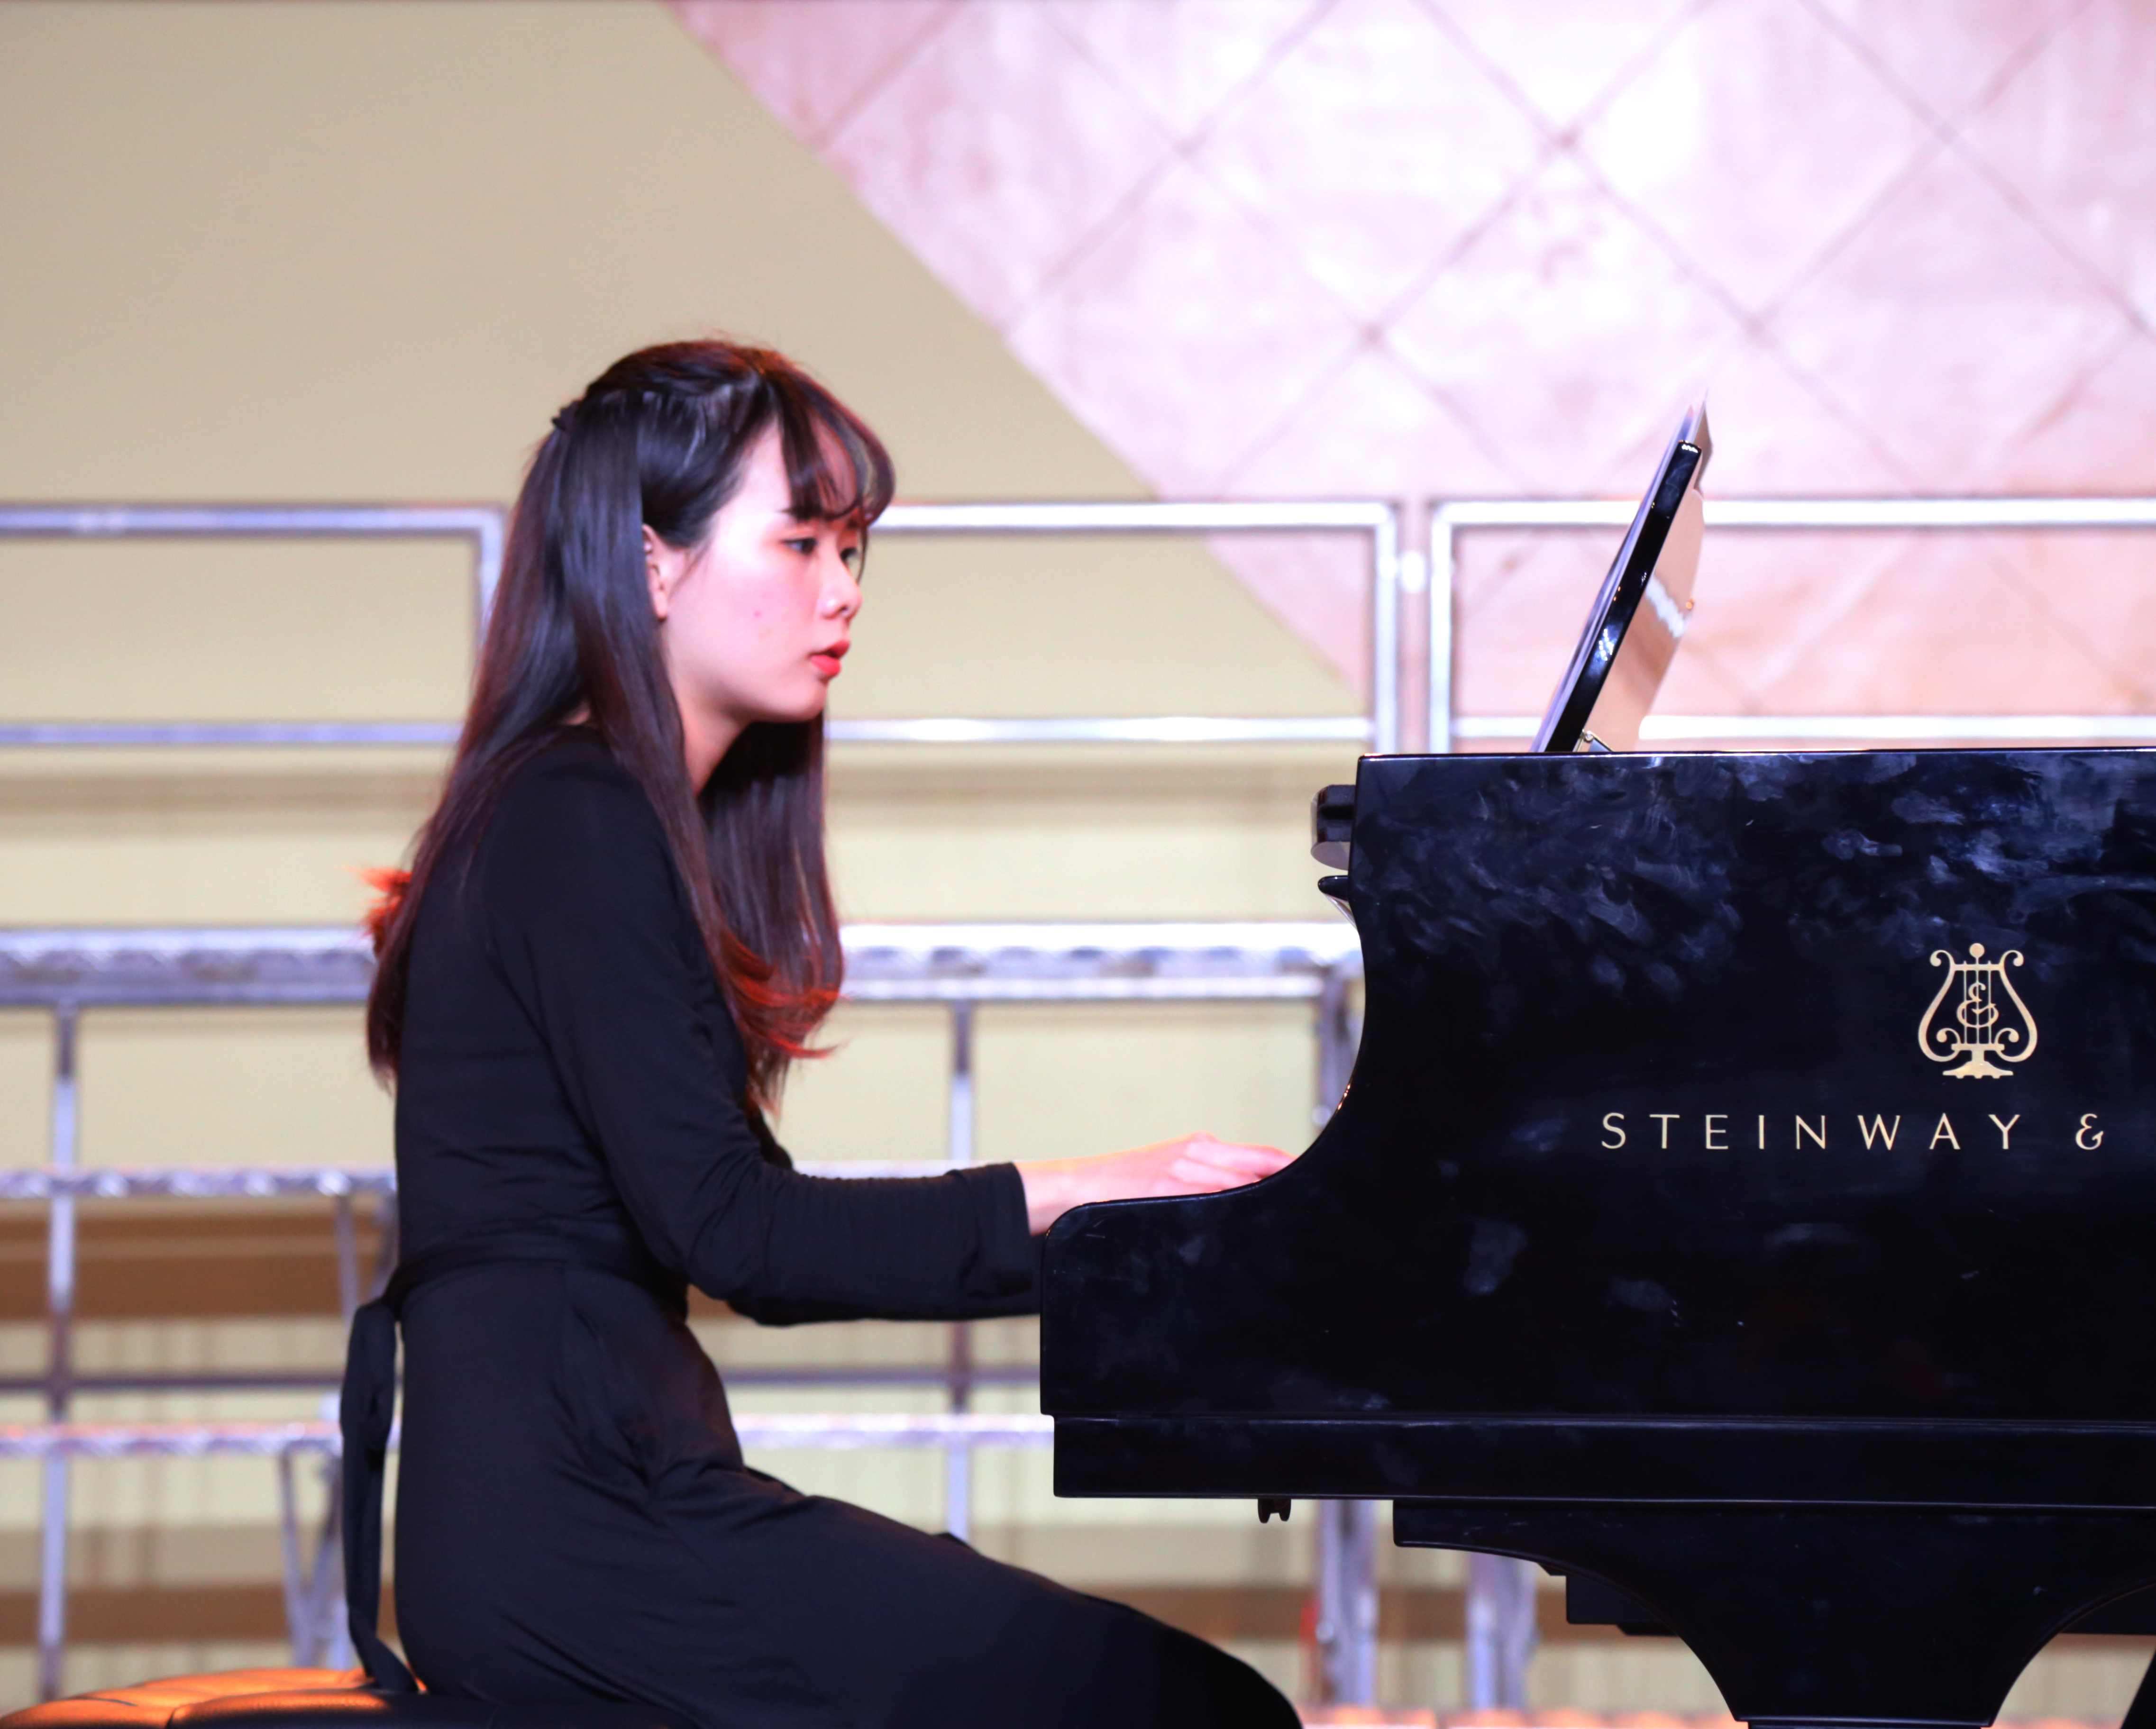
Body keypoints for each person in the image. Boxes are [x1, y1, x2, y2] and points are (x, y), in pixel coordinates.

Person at [354, 339, 1302, 1729]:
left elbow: (731, 1234)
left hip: (587, 1503)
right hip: (575, 1531)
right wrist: (1097, 1196)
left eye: (854, 550)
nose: (843, 590)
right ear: (652, 563)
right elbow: (743, 1237)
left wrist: (1127, 1237)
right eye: (800, 544)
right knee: (1185, 1711)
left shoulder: (584, 810)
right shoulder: (575, 815)